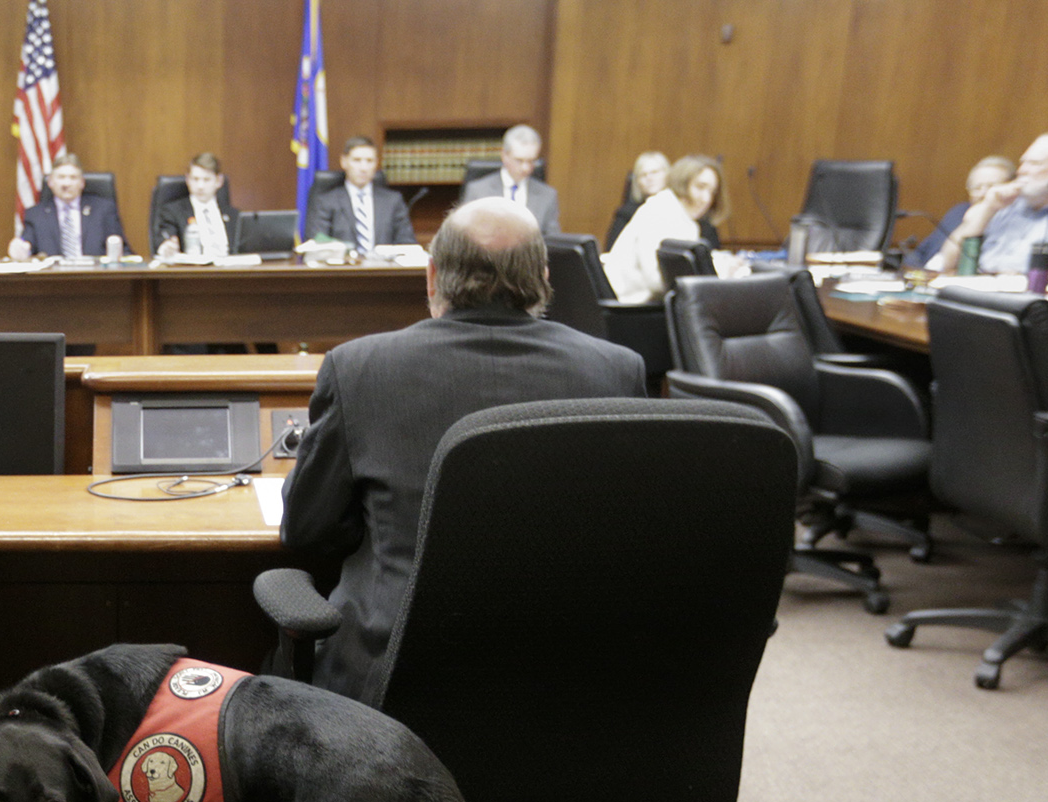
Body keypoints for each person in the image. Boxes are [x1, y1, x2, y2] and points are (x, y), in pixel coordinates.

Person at [280, 197, 647, 703]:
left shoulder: (358, 369)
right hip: (564, 680)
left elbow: (306, 530)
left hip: (391, 684)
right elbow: (631, 533)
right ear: (542, 278)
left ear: (432, 277)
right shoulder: (615, 371)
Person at [928, 132, 1048, 277]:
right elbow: (948, 261)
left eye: (1034, 164)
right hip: (979, 290)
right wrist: (987, 208)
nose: (1021, 170)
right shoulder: (1006, 202)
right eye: (1022, 162)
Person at [603, 154, 727, 304]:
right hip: (632, 309)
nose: (706, 199)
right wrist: (723, 273)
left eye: (712, 192)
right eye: (700, 187)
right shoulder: (660, 211)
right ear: (682, 182)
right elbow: (656, 280)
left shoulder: (679, 215)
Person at [305, 136, 416, 250]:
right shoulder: (326, 201)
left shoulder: (392, 201)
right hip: (343, 266)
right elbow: (317, 243)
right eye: (357, 160)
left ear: (376, 163)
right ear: (344, 162)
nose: (364, 168)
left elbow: (407, 244)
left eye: (369, 161)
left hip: (382, 266)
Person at [903, 155, 1013, 269]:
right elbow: (922, 252)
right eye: (977, 188)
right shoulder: (959, 211)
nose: (983, 194)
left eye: (991, 187)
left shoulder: (1013, 220)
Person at [9, 154, 128, 259]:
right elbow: (27, 244)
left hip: (96, 278)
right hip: (52, 280)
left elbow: (122, 249)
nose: (67, 184)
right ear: (50, 182)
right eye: (61, 177)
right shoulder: (36, 214)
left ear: (82, 183)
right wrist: (20, 248)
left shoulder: (103, 210)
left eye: (73, 177)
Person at [463, 124, 560, 235]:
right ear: (504, 155)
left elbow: (554, 242)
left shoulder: (547, 196)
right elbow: (467, 236)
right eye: (519, 160)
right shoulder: (478, 191)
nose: (525, 168)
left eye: (531, 161)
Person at [154, 153, 233, 257]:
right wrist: (167, 247)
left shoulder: (234, 215)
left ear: (219, 181)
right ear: (187, 180)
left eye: (206, 180)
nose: (200, 186)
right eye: (195, 179)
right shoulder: (172, 212)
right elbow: (165, 239)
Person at [606, 152, 669, 251]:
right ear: (637, 182)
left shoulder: (680, 209)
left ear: (668, 174)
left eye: (655, 172)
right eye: (643, 175)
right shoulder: (625, 214)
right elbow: (612, 250)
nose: (649, 178)